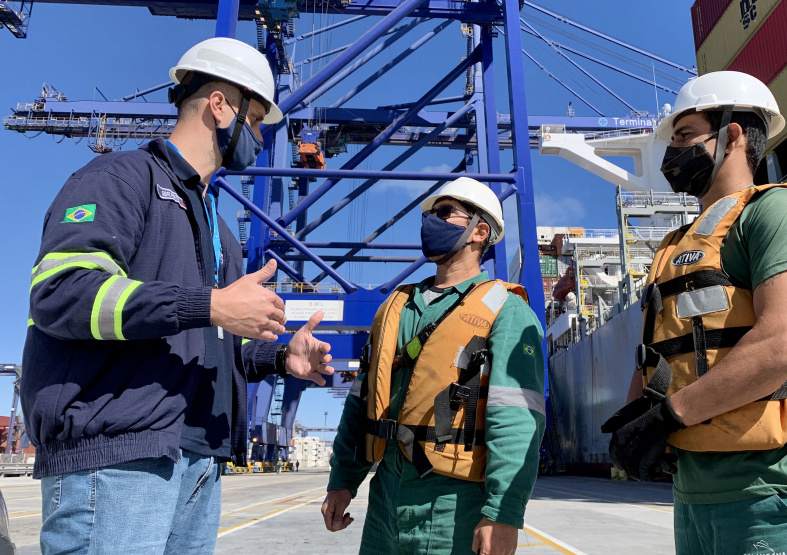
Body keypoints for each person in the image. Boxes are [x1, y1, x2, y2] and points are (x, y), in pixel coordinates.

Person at [22, 37, 333, 554]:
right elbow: (62, 293)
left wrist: (280, 358)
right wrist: (209, 304)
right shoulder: (119, 179)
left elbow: (207, 342)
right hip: (116, 460)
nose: (257, 137)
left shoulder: (219, 231)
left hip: (197, 463)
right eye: (254, 121)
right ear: (219, 105)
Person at [603, 71, 787, 554]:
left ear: (733, 135)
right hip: (696, 494)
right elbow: (659, 354)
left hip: (780, 492)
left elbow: (782, 345)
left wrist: (667, 418)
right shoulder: (676, 246)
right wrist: (634, 422)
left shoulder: (774, 212)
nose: (672, 153)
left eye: (684, 136)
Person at [320, 177, 546, 555]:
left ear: (481, 231)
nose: (431, 222)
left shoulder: (507, 311)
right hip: (385, 498)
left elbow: (516, 420)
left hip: (453, 506)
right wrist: (343, 479)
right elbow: (361, 402)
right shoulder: (394, 308)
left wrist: (503, 514)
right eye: (429, 214)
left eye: (444, 213)